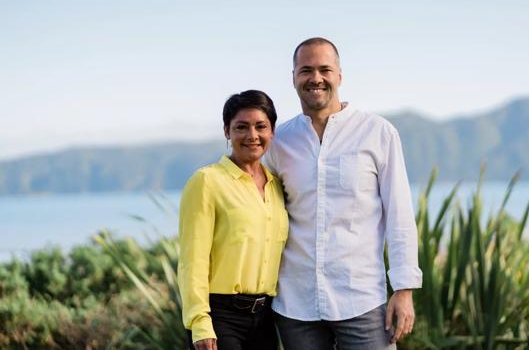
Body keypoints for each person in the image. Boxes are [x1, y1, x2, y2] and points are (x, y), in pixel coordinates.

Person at [263, 38, 422, 349]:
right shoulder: (278, 141)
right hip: (296, 305)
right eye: (306, 70)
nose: (316, 78)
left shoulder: (378, 133)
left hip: (361, 300)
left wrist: (404, 289)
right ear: (294, 77)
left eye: (325, 69)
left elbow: (399, 215)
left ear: (340, 75)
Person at [178, 90, 288, 350]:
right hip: (220, 317)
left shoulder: (277, 185)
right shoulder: (206, 181)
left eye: (261, 126)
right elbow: (192, 260)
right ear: (227, 131)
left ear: (272, 131)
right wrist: (199, 321)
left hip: (265, 318)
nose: (252, 136)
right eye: (241, 127)